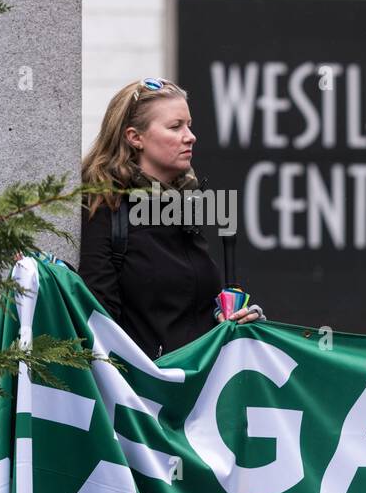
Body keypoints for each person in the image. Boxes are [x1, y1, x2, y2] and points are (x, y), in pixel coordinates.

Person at [79, 77, 261, 360]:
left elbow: (191, 310)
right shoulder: (104, 208)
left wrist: (235, 323)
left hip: (198, 390)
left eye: (188, 125)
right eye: (175, 127)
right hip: (143, 395)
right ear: (134, 137)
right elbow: (97, 326)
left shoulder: (186, 205)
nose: (190, 136)